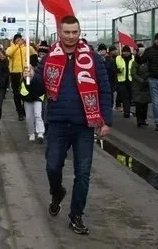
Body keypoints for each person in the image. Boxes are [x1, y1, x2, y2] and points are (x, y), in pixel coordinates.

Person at [25, 15, 112, 235]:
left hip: (84, 124)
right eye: (67, 32)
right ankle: (57, 193)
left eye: (75, 32)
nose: (71, 36)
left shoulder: (92, 58)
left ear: (79, 32)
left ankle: (76, 215)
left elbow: (104, 90)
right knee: (52, 167)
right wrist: (31, 77)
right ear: (60, 32)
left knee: (83, 173)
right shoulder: (50, 58)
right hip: (57, 124)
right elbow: (37, 91)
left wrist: (106, 121)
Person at [6, 33, 36, 121]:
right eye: (17, 39)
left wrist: (32, 65)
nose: (19, 41)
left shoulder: (26, 48)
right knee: (17, 93)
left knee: (26, 91)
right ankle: (19, 112)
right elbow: (9, 53)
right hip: (15, 73)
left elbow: (34, 54)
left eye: (20, 39)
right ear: (14, 40)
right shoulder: (11, 48)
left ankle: (24, 109)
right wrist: (17, 46)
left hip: (25, 72)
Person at [114, 46, 135, 119]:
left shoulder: (133, 58)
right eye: (124, 51)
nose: (126, 53)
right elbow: (113, 68)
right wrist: (117, 70)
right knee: (125, 96)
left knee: (129, 96)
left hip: (130, 80)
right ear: (122, 52)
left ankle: (127, 110)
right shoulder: (117, 58)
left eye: (127, 51)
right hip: (121, 81)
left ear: (130, 52)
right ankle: (127, 112)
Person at [131, 59, 151, 127]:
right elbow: (133, 73)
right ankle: (139, 119)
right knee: (138, 103)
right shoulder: (135, 62)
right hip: (137, 85)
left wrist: (147, 81)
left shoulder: (149, 62)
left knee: (145, 103)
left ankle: (143, 119)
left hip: (146, 85)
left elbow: (152, 72)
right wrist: (141, 80)